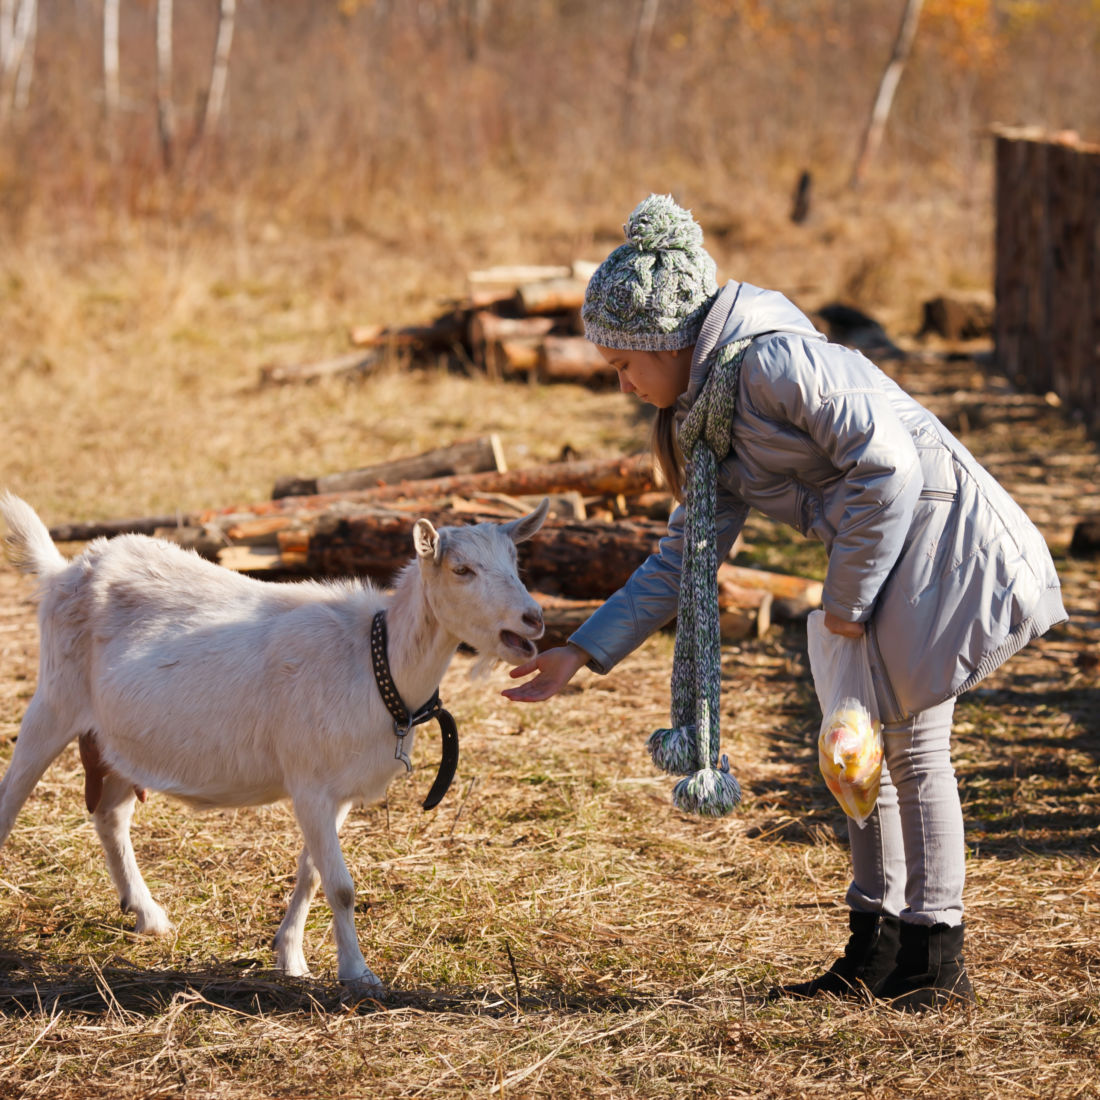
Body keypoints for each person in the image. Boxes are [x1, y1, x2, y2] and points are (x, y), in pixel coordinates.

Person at [502, 193, 1067, 1011]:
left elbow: (893, 471)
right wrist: (580, 651)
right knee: (853, 752)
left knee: (909, 753)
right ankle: (872, 946)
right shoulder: (709, 421)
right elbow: (683, 558)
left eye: (624, 362)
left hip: (941, 541)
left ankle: (935, 957)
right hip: (877, 557)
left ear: (669, 342)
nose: (620, 383)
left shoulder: (773, 364)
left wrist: (844, 606)